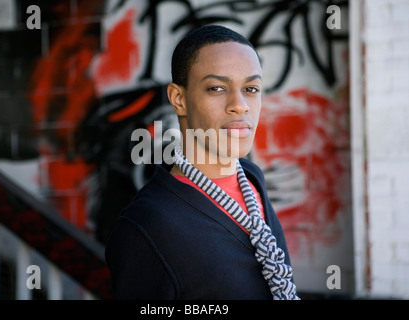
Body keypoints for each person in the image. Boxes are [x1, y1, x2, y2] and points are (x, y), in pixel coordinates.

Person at [105, 24, 299, 300]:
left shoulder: (252, 179)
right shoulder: (147, 227)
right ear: (179, 99)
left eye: (251, 88)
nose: (240, 104)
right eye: (217, 88)